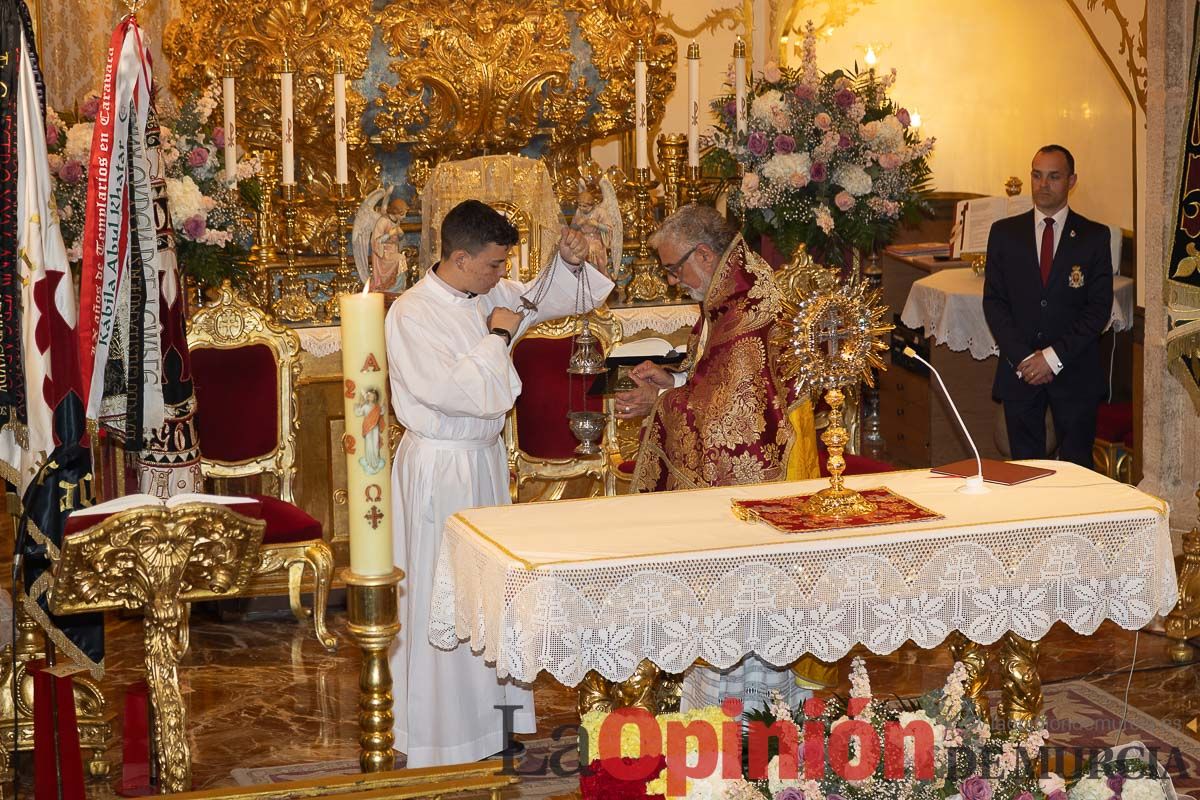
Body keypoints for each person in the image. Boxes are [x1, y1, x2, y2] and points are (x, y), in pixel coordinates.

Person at [386, 199, 613, 767]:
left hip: (482, 462)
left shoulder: (488, 293)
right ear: (459, 258)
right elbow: (456, 391)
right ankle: (442, 733)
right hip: (441, 466)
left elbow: (565, 296)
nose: (501, 276)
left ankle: (491, 726)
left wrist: (571, 259)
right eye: (493, 265)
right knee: (445, 592)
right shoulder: (412, 314)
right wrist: (495, 337)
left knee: (490, 592)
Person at [613, 203, 823, 710]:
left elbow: (730, 423)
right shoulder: (729, 289)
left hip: (766, 478)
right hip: (765, 463)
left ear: (703, 254)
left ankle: (750, 719)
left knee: (751, 603)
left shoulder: (747, 303)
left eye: (673, 268)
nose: (672, 280)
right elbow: (716, 381)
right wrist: (678, 381)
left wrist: (659, 403)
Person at [982, 145, 1113, 468]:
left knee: (1077, 471)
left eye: (1054, 177)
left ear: (1071, 181)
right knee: (1025, 472)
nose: (1043, 184)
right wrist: (1027, 358)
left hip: (1074, 372)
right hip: (1021, 373)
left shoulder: (1093, 237)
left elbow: (1097, 310)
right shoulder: (1004, 234)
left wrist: (1051, 359)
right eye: (1037, 175)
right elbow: (995, 303)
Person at [370, 197, 410, 292]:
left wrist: (401, 234)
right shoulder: (383, 221)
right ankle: (395, 288)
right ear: (396, 212)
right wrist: (389, 234)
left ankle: (398, 287)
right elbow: (376, 241)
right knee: (401, 258)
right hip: (383, 255)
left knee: (402, 259)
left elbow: (398, 240)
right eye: (403, 214)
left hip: (393, 251)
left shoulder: (397, 221)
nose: (404, 217)